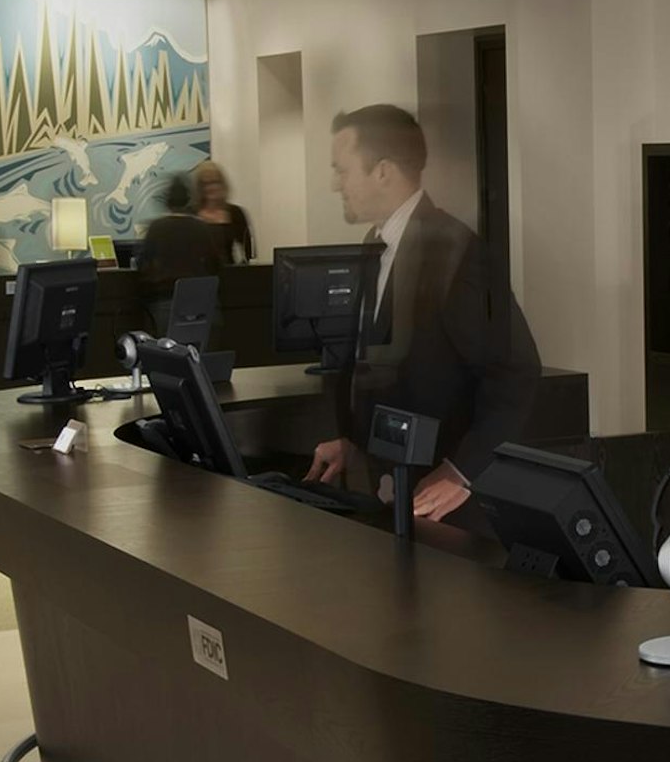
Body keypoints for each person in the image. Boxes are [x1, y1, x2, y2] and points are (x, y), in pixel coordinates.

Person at [305, 105, 539, 523]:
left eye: (342, 171)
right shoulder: (373, 244)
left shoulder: (457, 251)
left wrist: (462, 471)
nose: (334, 184)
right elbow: (384, 363)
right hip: (393, 487)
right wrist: (354, 439)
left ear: (382, 171)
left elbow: (515, 372)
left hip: (444, 507)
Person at [137, 175, 224, 334]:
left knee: (166, 355)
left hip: (165, 302)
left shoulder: (157, 228)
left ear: (167, 201)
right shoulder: (201, 227)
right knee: (200, 355)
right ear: (188, 200)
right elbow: (215, 264)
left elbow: (143, 264)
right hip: (201, 302)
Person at [190, 160, 254, 264]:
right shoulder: (191, 214)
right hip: (198, 276)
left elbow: (248, 252)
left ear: (222, 184)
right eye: (205, 183)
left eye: (214, 182)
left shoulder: (235, 213)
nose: (210, 188)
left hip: (229, 274)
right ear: (199, 187)